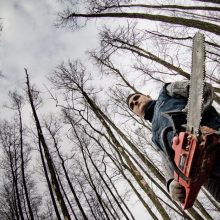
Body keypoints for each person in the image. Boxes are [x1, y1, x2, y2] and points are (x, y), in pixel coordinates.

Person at [126, 81, 220, 203]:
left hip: (215, 136)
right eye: (132, 105)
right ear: (136, 115)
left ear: (148, 96)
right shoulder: (155, 137)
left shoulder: (166, 92)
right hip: (201, 171)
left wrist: (192, 121)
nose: (136, 102)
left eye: (136, 98)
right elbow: (166, 159)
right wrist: (170, 181)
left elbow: (202, 89)